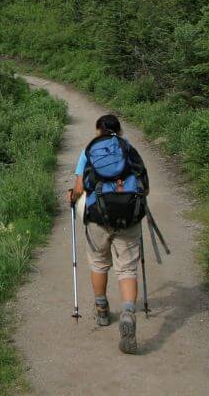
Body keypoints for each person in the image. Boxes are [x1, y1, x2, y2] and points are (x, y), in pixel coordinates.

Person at [66, 113, 141, 354]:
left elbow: (79, 187)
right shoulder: (128, 148)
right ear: (119, 131)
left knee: (99, 263)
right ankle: (129, 311)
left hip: (99, 215)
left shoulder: (89, 151)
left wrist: (72, 197)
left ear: (98, 130)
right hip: (128, 215)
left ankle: (101, 310)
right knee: (127, 268)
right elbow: (143, 184)